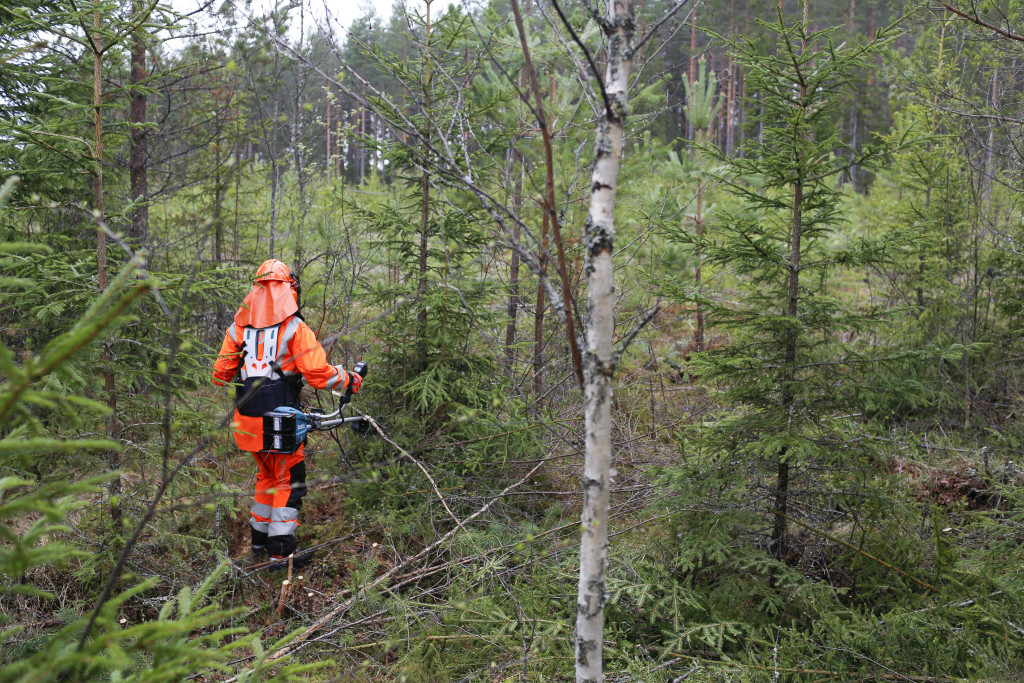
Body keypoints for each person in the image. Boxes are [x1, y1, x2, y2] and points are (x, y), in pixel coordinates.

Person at [212, 259, 361, 565]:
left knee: (267, 476)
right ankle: (281, 552)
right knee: (289, 480)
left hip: (246, 422)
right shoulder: (294, 327)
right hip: (279, 422)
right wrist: (349, 379)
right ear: (290, 289)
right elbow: (319, 374)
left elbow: (220, 375)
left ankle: (258, 543)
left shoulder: (237, 328)